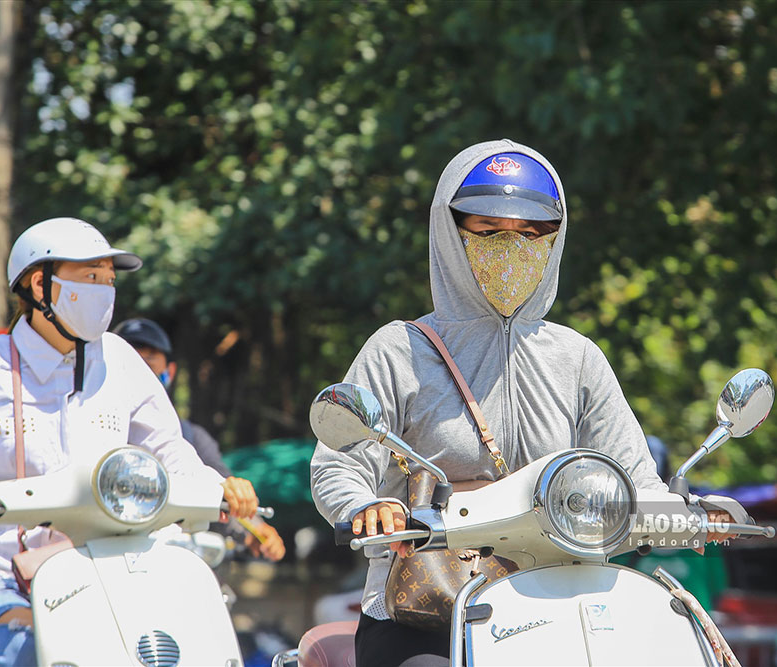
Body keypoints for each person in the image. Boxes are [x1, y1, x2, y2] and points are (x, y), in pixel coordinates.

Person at [310, 139, 730, 667]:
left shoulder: (578, 358)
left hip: (563, 603)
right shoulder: (399, 349)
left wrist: (683, 514)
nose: (511, 249)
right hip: (428, 611)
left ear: (555, 239)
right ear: (450, 233)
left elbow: (635, 478)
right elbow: (339, 462)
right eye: (488, 232)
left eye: (531, 234)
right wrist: (366, 507)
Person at [0, 217, 263, 666]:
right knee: (32, 653)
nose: (105, 291)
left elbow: (172, 454)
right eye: (90, 277)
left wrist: (218, 488)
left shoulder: (122, 360)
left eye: (109, 280)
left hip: (109, 569)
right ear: (39, 284)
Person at [113, 317, 285, 562]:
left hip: (167, 558)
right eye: (131, 356)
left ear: (169, 372)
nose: (139, 367)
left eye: (150, 357)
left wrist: (253, 529)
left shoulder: (187, 437)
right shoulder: (92, 423)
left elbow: (217, 488)